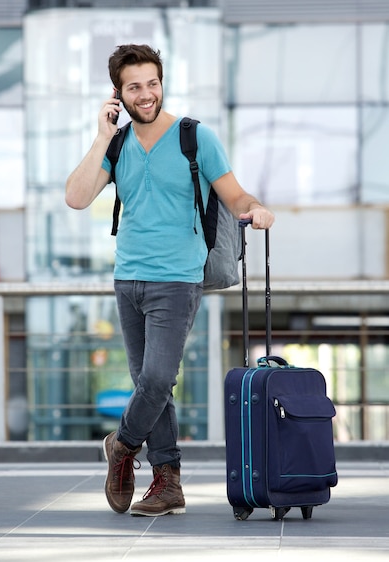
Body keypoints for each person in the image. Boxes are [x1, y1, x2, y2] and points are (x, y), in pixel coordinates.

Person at [65, 44, 275, 517]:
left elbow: (235, 194)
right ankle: (168, 484)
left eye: (152, 83)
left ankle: (121, 446)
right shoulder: (117, 145)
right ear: (118, 93)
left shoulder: (194, 138)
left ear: (162, 83)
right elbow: (76, 198)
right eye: (134, 86)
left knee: (158, 379)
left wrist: (256, 209)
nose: (146, 94)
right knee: (148, 385)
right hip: (128, 279)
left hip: (177, 279)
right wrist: (101, 136)